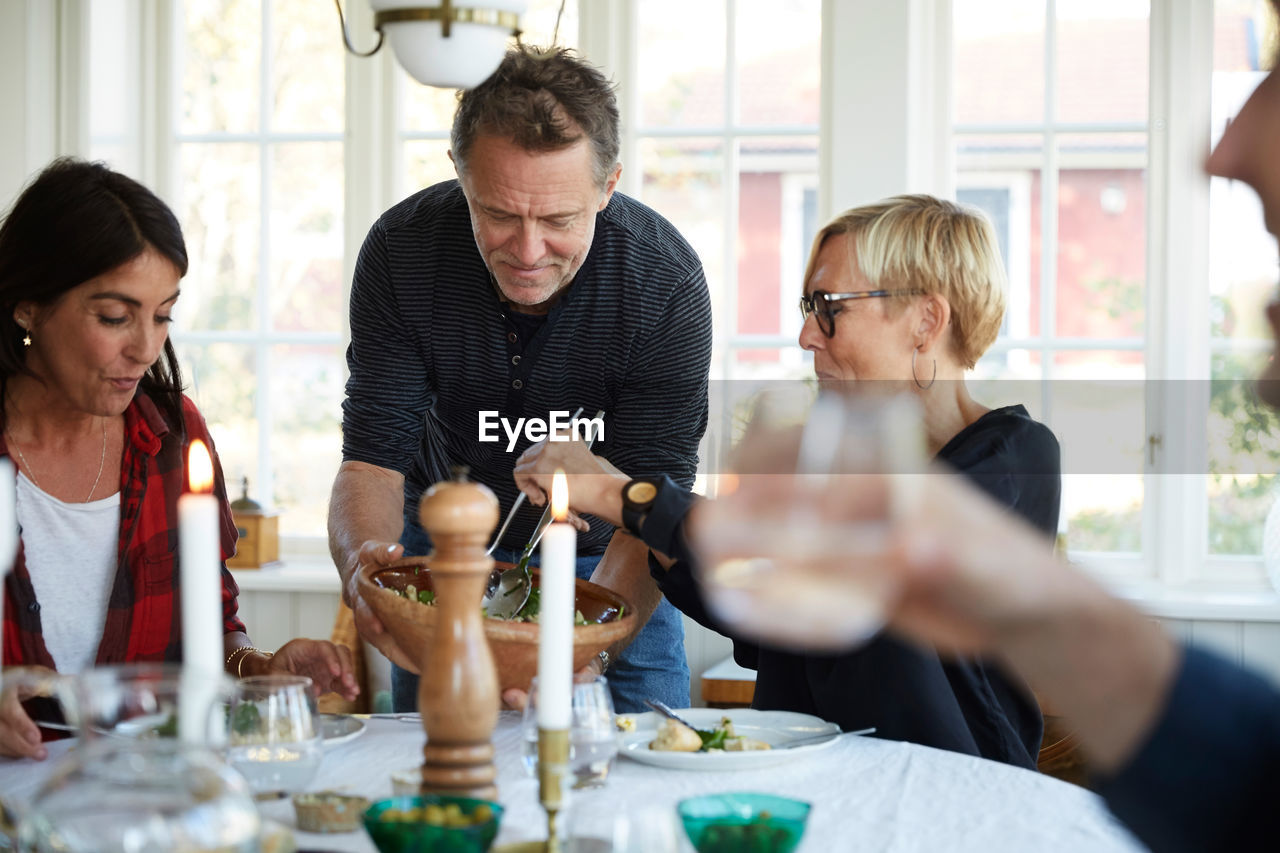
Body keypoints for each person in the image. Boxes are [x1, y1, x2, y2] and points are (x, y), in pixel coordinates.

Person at [514, 195, 1061, 768]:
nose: (806, 335)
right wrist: (641, 532)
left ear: (926, 321)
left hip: (950, 802)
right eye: (809, 305)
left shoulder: (1016, 460)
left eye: (831, 308)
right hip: (810, 787)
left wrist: (619, 492)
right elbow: (773, 622)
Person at [328, 46, 712, 714]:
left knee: (639, 780)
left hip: (612, 563)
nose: (528, 252)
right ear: (459, 173)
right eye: (499, 214)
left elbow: (656, 502)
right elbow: (372, 461)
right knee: (450, 784)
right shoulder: (402, 251)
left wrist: (581, 649)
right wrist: (367, 568)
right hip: (444, 555)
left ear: (608, 185)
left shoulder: (665, 283)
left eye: (559, 220)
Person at [0, 158, 359, 761]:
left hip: (149, 802)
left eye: (163, 315)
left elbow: (209, 615)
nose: (145, 348)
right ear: (27, 305)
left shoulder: (173, 436)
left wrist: (257, 668)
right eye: (114, 317)